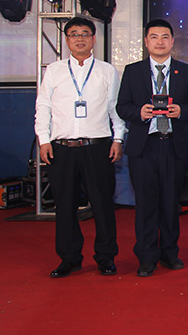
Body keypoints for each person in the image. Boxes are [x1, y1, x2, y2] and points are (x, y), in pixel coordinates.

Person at [35, 17, 125, 278]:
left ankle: (106, 257)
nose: (80, 39)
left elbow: (115, 107)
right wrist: (43, 139)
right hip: (61, 148)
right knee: (64, 206)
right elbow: (43, 106)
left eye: (85, 33)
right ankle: (69, 258)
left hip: (97, 147)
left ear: (94, 39)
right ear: (67, 40)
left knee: (102, 205)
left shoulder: (107, 71)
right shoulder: (54, 70)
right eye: (74, 34)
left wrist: (118, 138)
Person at [117, 19, 188, 277]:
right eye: (154, 37)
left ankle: (170, 254)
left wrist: (181, 111)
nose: (159, 42)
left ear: (172, 41)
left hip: (174, 145)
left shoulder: (185, 71)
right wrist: (138, 112)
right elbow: (122, 106)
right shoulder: (133, 71)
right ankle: (147, 256)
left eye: (164, 37)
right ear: (146, 41)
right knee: (146, 204)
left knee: (171, 204)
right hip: (144, 147)